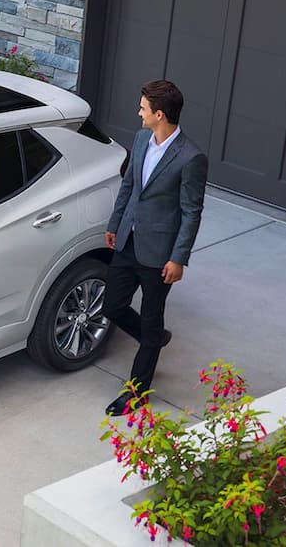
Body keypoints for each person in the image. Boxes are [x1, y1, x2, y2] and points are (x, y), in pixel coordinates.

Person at [103, 79, 208, 417]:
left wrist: (179, 259)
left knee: (150, 321)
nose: (138, 112)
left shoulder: (191, 158)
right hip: (128, 240)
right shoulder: (140, 138)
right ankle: (155, 339)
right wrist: (114, 224)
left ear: (159, 114)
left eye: (143, 108)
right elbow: (129, 186)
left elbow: (192, 211)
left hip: (159, 254)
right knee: (111, 306)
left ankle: (136, 393)